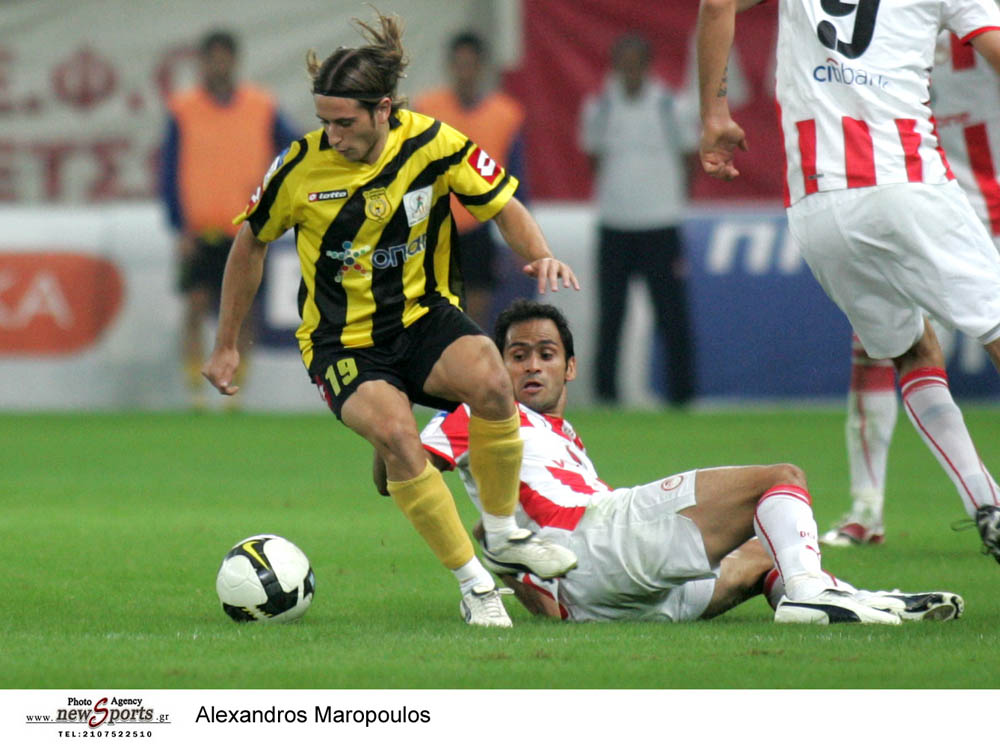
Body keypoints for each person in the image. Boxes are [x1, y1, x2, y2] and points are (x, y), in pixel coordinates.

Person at [200, 10, 581, 627]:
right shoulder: (298, 167)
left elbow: (501, 203)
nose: (332, 136)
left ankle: (504, 533)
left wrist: (539, 253)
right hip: (342, 341)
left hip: (422, 316)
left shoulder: (434, 142)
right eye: (324, 121)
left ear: (383, 109)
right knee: (400, 438)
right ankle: (476, 585)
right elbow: (249, 245)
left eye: (344, 123)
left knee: (493, 380)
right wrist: (225, 344)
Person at [406, 299, 963, 624]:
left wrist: (516, 573)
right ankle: (811, 594)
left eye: (545, 355)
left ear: (569, 367)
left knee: (761, 556)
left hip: (603, 599)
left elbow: (498, 529)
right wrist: (389, 425)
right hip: (603, 540)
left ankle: (872, 606)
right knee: (781, 480)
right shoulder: (478, 415)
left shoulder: (561, 437)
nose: (532, 366)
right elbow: (409, 464)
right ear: (498, 369)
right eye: (517, 356)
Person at [696, 0, 1000, 562]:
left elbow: (717, 4)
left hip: (816, 207)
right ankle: (893, 506)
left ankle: (987, 503)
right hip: (906, 181)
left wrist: (714, 114)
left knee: (911, 351)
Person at [823, 25, 1000, 546]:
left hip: (987, 207)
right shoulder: (883, 21)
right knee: (881, 349)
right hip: (913, 202)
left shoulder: (977, 18)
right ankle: (866, 508)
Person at [161, 29, 299, 409]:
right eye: (212, 58)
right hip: (200, 228)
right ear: (202, 63)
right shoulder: (183, 108)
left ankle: (235, 389)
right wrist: (178, 225)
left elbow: (295, 149)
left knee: (244, 309)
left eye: (225, 58)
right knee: (195, 303)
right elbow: (169, 170)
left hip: (246, 229)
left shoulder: (261, 105)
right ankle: (193, 388)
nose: (219, 65)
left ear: (235, 61)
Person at [578, 33, 697, 407]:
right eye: (623, 65)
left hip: (660, 224)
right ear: (615, 67)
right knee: (611, 314)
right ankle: (606, 395)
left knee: (671, 314)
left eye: (635, 65)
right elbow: (594, 158)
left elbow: (689, 158)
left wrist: (666, 199)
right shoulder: (599, 108)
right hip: (615, 224)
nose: (629, 72)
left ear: (647, 66)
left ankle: (682, 396)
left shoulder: (671, 106)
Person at [413, 31, 533, 332]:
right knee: (437, 314)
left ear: (482, 67)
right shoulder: (427, 110)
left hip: (479, 227)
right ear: (450, 66)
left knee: (477, 314)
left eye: (471, 65)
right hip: (435, 226)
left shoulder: (505, 114)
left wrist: (520, 238)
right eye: (459, 65)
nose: (465, 73)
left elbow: (516, 180)